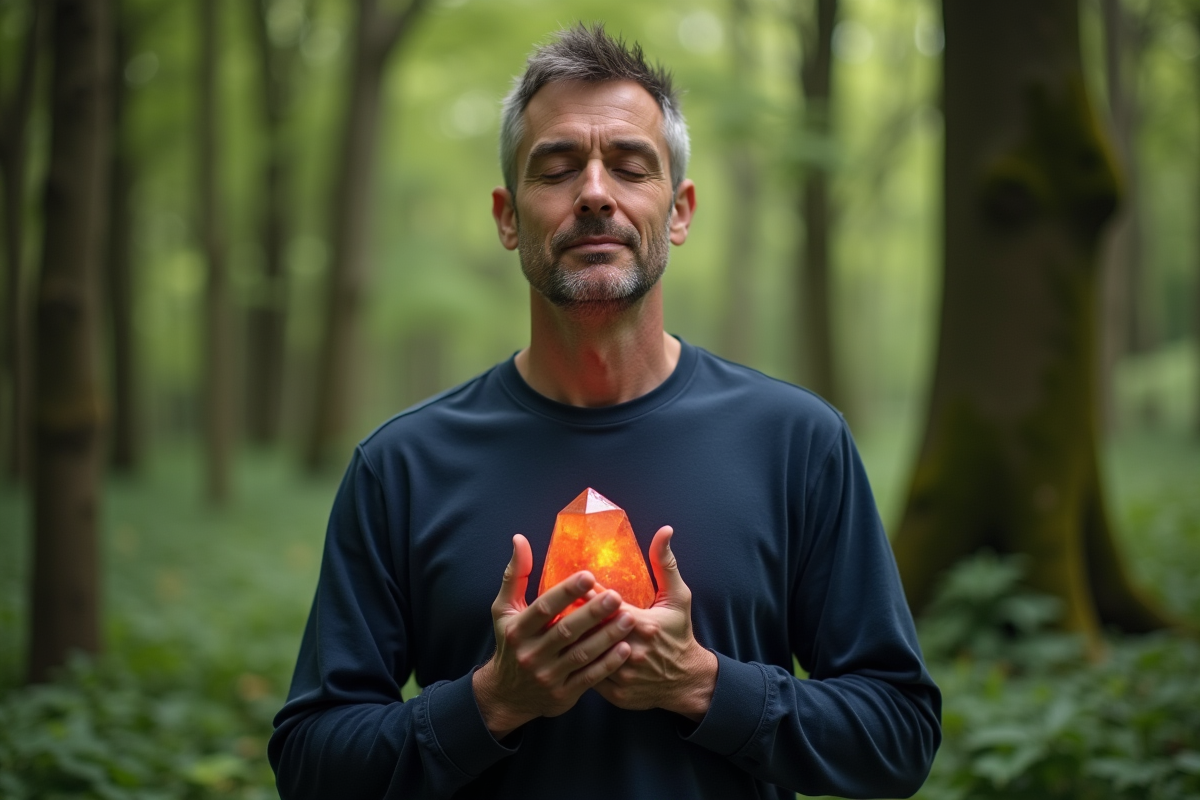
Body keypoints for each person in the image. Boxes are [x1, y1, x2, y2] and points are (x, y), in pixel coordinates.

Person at [269, 23, 940, 800]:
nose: (594, 192)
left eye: (630, 166)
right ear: (507, 217)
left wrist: (702, 685)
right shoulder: (402, 465)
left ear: (679, 212)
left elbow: (899, 735)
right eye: (556, 168)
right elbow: (311, 763)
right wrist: (493, 702)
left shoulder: (796, 442)